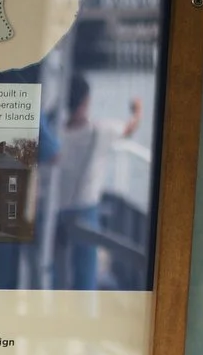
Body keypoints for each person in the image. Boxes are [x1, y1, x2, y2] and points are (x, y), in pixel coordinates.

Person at [49, 76, 142, 287]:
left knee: (54, 268)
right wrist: (138, 109)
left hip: (57, 213)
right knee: (85, 274)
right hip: (85, 212)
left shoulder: (55, 136)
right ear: (86, 102)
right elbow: (130, 128)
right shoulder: (101, 132)